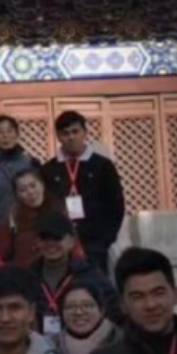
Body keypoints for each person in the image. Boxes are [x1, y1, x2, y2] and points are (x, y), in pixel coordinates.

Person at [41, 112, 126, 268]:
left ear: (85, 133)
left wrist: (106, 239)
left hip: (96, 244)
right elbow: (46, 207)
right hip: (61, 243)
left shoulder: (103, 165)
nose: (71, 137)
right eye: (65, 133)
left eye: (75, 131)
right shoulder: (48, 169)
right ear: (58, 137)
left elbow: (116, 205)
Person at [30, 212, 117, 341]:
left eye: (57, 238)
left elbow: (113, 307)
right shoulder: (29, 275)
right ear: (37, 242)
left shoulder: (89, 272)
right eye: (45, 238)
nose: (50, 243)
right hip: (40, 343)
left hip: (84, 341)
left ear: (71, 241)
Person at [0, 168, 53, 268]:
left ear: (42, 185)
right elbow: (1, 253)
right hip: (25, 272)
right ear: (17, 195)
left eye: (33, 186)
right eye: (23, 190)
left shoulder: (59, 210)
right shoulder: (12, 219)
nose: (30, 192)